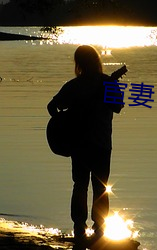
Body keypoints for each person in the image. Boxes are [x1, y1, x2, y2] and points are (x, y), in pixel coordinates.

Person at [47, 45, 123, 245]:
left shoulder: (74, 85)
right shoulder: (108, 83)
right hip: (101, 143)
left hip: (78, 144)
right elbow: (117, 108)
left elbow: (51, 106)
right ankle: (99, 229)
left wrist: (64, 121)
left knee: (79, 185)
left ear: (78, 63)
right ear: (97, 61)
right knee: (101, 188)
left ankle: (79, 228)